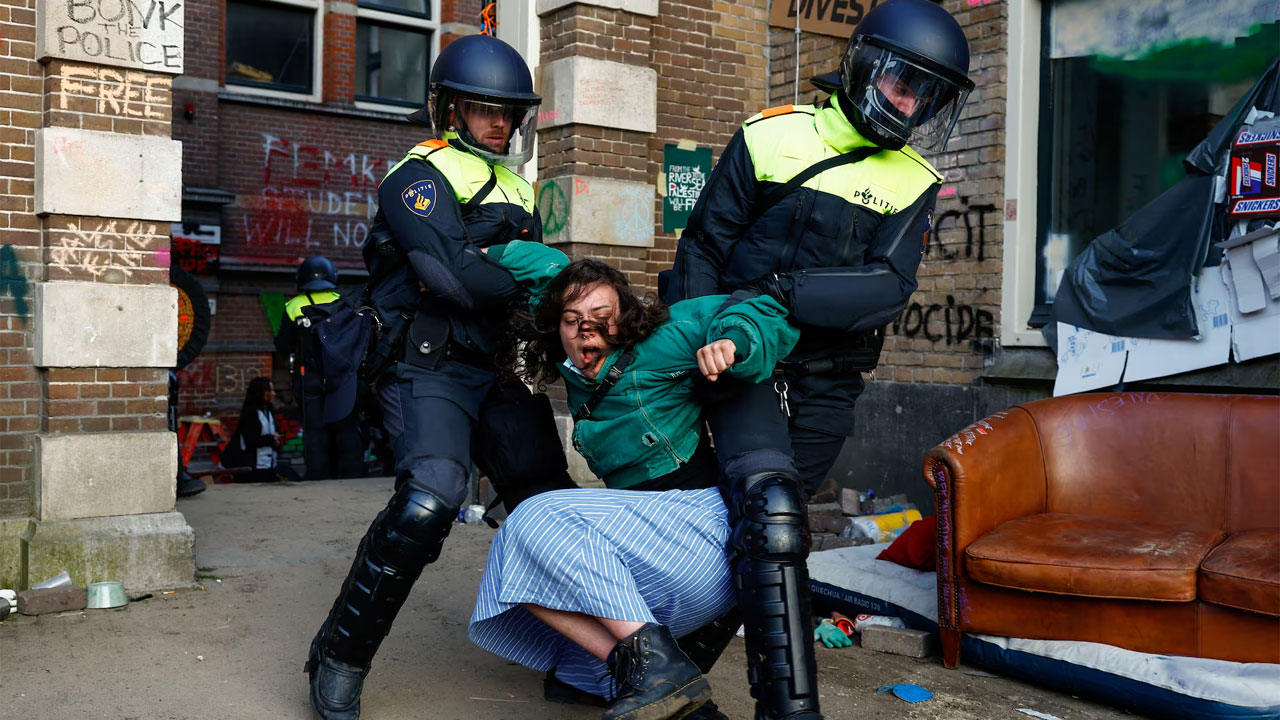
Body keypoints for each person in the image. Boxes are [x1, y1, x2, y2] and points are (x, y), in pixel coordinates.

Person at [662, 2, 975, 718]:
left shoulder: (913, 179)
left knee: (762, 529)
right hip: (742, 358)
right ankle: (788, 706)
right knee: (770, 516)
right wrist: (700, 344)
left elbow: (884, 289)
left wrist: (778, 290)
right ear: (865, 63)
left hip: (831, 378)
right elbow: (705, 246)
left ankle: (657, 666)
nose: (909, 101)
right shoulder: (771, 137)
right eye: (902, 80)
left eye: (925, 92)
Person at [304, 34, 573, 720]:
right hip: (424, 366)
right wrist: (514, 268)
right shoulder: (417, 175)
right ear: (448, 110)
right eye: (483, 109)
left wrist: (502, 268)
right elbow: (452, 277)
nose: (499, 124)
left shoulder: (519, 185)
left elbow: (501, 284)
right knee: (430, 499)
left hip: (497, 367)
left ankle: (583, 657)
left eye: (509, 112)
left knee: (555, 508)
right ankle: (339, 654)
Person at [469, 250, 800, 720]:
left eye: (603, 317)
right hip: (652, 538)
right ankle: (671, 691)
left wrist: (732, 342)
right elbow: (544, 268)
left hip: (700, 532)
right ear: (557, 327)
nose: (588, 328)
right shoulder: (578, 360)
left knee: (533, 520)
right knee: (525, 586)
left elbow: (761, 310)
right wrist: (478, 251)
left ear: (624, 319)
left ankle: (662, 671)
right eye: (573, 320)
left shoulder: (661, 341)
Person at [274, 256, 364, 481]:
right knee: (346, 427)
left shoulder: (293, 306)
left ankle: (318, 476)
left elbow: (282, 346)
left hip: (309, 378)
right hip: (342, 377)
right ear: (333, 276)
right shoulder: (344, 303)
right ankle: (353, 474)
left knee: (314, 430)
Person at [233, 377, 284, 483]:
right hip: (254, 467)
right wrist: (271, 439)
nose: (273, 394)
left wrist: (276, 441)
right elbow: (250, 440)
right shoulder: (250, 412)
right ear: (261, 392)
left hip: (269, 465)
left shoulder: (269, 410)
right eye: (270, 390)